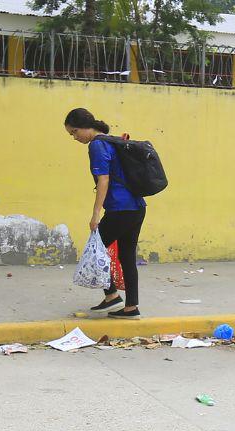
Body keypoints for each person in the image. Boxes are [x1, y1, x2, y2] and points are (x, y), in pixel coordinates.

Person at [64, 108, 146, 319]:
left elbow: (104, 180)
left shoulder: (97, 145)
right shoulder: (112, 141)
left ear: (85, 127)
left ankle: (112, 296)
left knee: (94, 250)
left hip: (120, 208)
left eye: (74, 132)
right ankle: (131, 307)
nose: (74, 137)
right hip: (137, 207)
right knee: (127, 256)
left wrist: (95, 214)